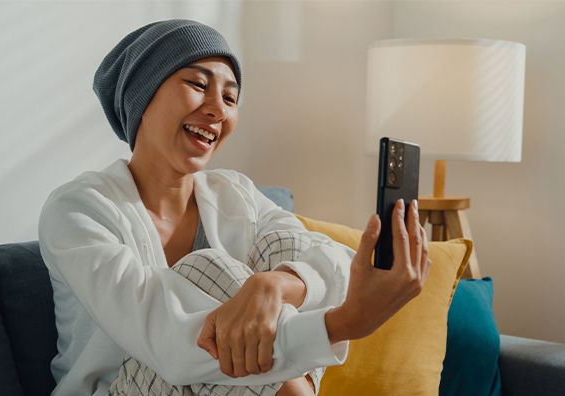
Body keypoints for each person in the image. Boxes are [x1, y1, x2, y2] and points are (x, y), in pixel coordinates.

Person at [38, 19, 430, 396]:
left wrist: (276, 285)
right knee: (205, 270)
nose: (218, 110)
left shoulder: (234, 192)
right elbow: (171, 346)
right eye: (197, 84)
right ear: (142, 96)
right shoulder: (79, 209)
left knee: (286, 258)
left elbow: (334, 260)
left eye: (230, 97)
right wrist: (341, 324)